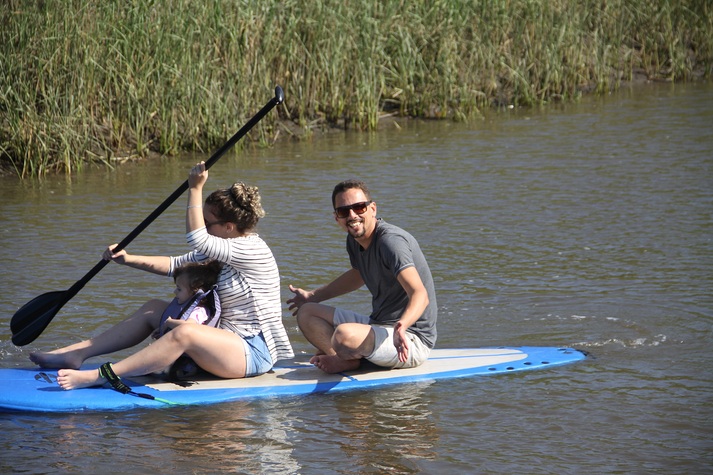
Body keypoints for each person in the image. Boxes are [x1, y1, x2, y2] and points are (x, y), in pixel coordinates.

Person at [29, 161, 294, 390]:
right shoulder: (223, 247)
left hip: (252, 351)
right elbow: (174, 264)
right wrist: (127, 259)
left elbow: (196, 238)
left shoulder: (251, 249)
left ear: (228, 227)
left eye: (207, 222)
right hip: (224, 340)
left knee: (185, 333)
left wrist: (195, 188)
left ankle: (100, 376)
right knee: (153, 309)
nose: (202, 225)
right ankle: (76, 354)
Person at [287, 179, 437, 374]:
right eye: (344, 211)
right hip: (379, 325)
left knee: (343, 335)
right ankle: (342, 357)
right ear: (337, 218)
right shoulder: (354, 240)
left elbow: (420, 294)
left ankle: (344, 355)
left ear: (372, 208)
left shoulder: (391, 243)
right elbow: (358, 275)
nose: (352, 216)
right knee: (307, 312)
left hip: (409, 339)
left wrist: (402, 326)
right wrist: (312, 296)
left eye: (359, 207)